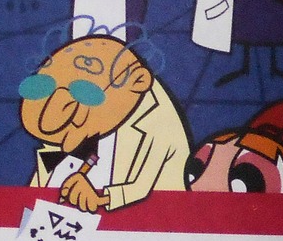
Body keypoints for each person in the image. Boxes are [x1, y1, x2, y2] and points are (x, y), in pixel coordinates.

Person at [19, 34, 190, 212]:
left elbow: (139, 189)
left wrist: (100, 197)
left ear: (139, 81)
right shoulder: (65, 102)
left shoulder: (157, 121)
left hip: (156, 216)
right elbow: (52, 160)